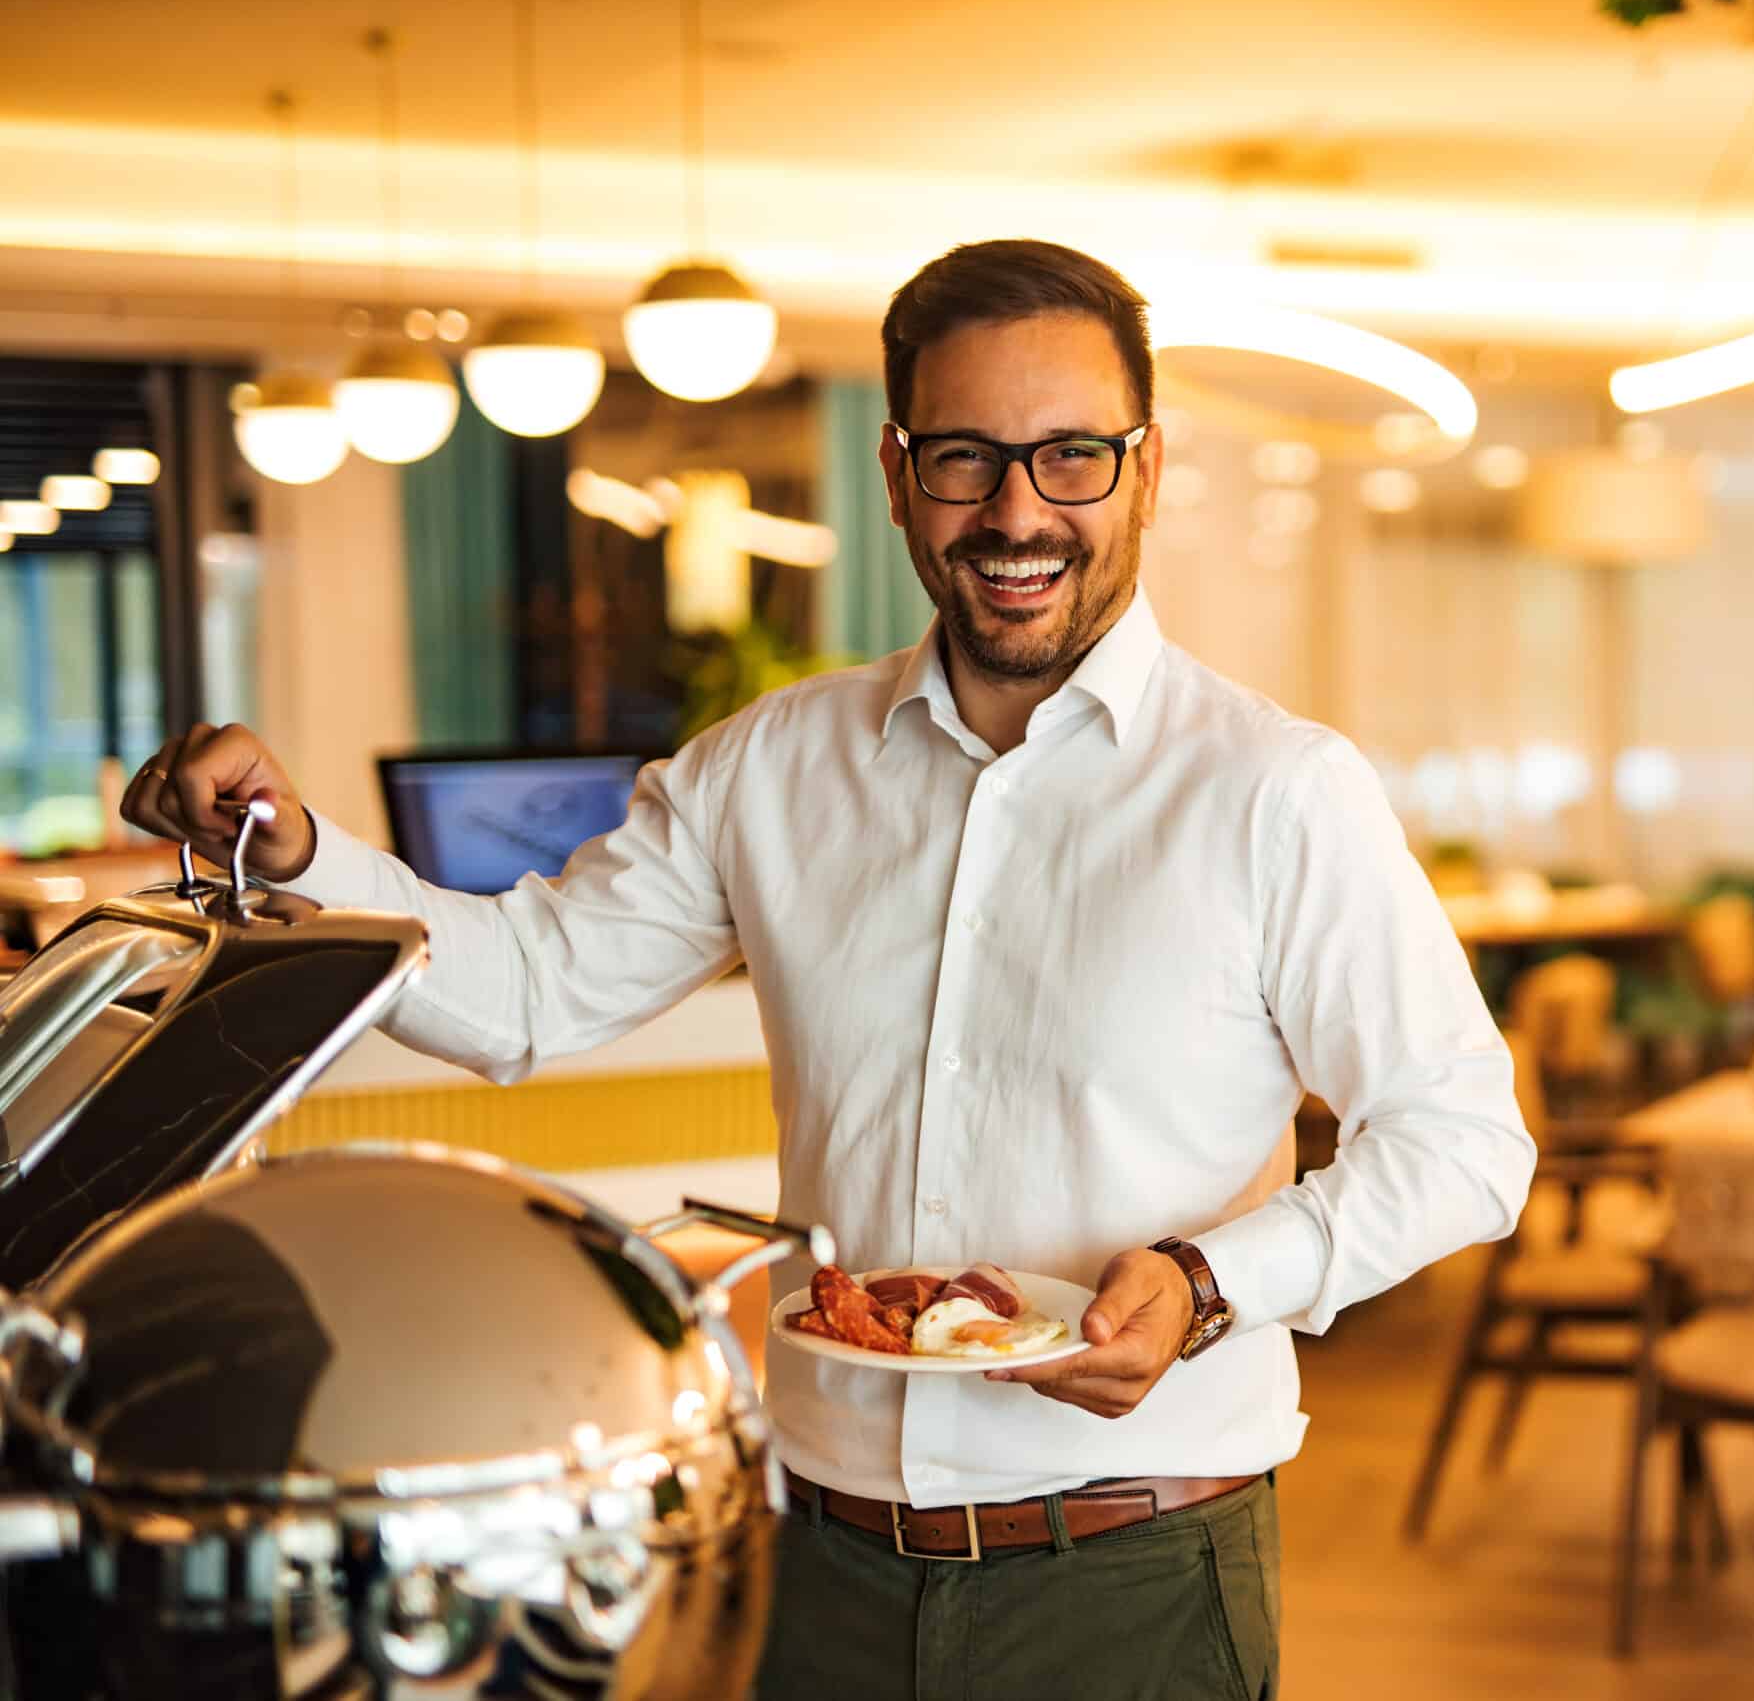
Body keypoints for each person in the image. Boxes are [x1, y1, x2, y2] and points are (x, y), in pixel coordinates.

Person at [121, 238, 1535, 1701]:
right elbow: (530, 987)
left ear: (1148, 469)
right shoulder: (770, 770)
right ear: (895, 469)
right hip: (820, 1571)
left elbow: (1463, 1143)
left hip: (1128, 1582)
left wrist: (1209, 1283)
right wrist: (298, 855)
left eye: (1071, 459)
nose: (1016, 512)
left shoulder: (1275, 790)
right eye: (965, 459)